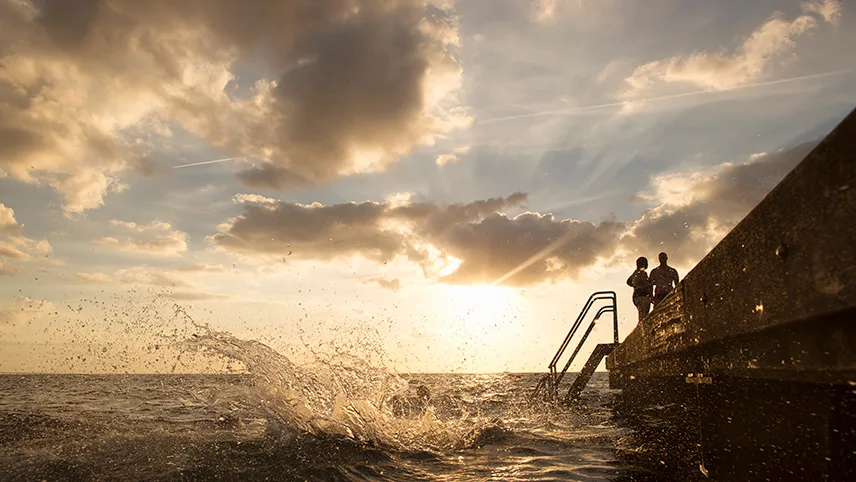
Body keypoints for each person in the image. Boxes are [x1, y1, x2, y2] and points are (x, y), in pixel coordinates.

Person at [626, 257, 652, 321]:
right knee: (644, 316)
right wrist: (651, 283)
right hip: (642, 294)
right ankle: (642, 329)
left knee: (641, 314)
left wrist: (635, 285)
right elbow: (646, 284)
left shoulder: (635, 273)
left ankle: (642, 327)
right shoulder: (643, 273)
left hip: (636, 295)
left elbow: (628, 281)